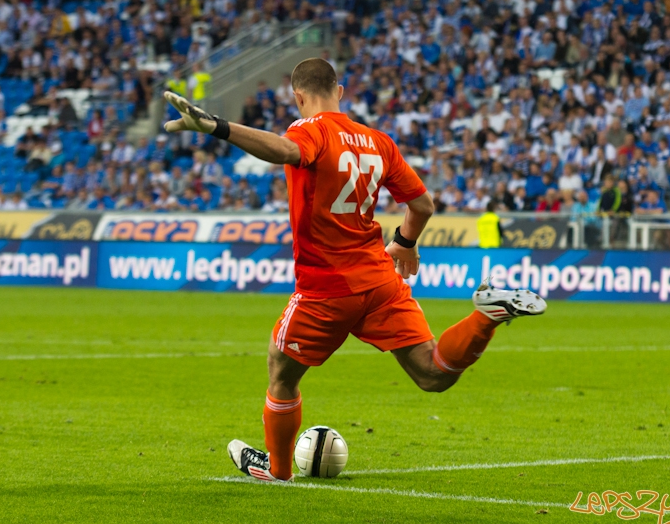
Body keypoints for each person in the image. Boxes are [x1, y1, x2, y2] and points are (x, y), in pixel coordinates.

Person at [162, 58, 547, 483]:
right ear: (340, 91)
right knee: (433, 372)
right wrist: (403, 243)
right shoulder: (378, 141)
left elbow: (287, 152)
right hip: (380, 279)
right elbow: (422, 205)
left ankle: (279, 470)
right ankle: (484, 316)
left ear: (298, 96)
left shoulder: (308, 130)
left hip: (326, 285)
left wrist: (218, 127)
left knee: (281, 371)